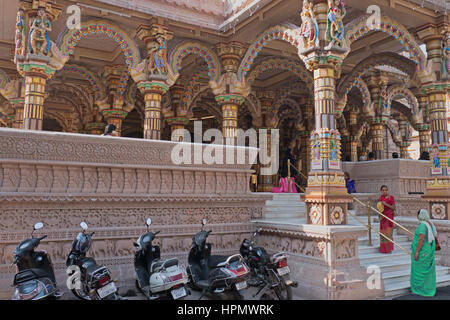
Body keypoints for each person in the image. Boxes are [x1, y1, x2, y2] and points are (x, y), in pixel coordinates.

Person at [410, 209, 437, 297]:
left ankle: (419, 289)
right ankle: (428, 288)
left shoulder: (422, 225)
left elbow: (421, 239)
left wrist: (417, 252)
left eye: (417, 215)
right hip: (428, 250)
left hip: (422, 252)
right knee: (427, 271)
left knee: (419, 270)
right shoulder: (430, 224)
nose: (417, 217)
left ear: (420, 215)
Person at [378, 185, 396, 254]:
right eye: (383, 190)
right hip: (383, 217)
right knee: (383, 233)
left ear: (387, 190)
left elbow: (394, 207)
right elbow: (379, 209)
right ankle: (383, 249)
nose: (384, 191)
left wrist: (385, 204)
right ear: (381, 191)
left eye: (386, 190)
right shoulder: (380, 198)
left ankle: (388, 249)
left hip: (389, 217)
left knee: (388, 233)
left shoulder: (391, 197)